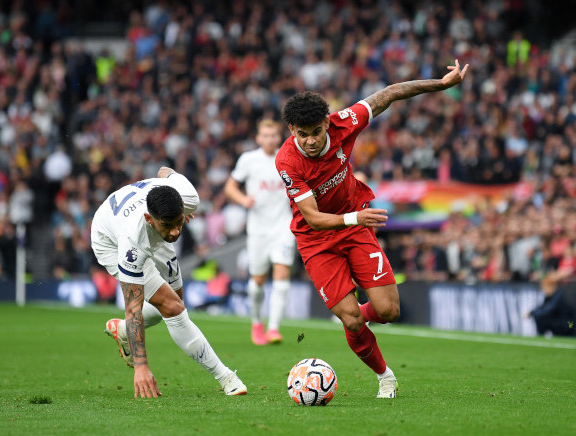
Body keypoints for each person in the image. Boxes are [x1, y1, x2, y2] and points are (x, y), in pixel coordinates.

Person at [275, 60, 469, 398]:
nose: (308, 141)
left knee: (389, 311)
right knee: (350, 319)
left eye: (315, 133)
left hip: (354, 227)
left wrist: (439, 84)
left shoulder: (345, 122)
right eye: (300, 134)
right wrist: (354, 219)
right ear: (292, 129)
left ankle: (354, 315)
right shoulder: (288, 161)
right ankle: (385, 376)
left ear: (326, 123)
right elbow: (313, 217)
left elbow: (390, 94)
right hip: (317, 239)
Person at [91, 166, 247, 398]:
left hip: (154, 232)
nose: (176, 232)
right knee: (173, 307)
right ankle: (226, 377)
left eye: (180, 222)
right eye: (169, 225)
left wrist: (175, 218)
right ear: (149, 219)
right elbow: (133, 308)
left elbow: (165, 171)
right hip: (110, 241)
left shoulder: (187, 197)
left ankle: (121, 330)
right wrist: (141, 365)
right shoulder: (132, 241)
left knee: (176, 303)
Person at [224, 119, 295, 345]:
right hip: (258, 230)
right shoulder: (248, 160)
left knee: (282, 275)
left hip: (283, 226)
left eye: (273, 135)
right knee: (257, 281)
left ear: (279, 137)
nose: (269, 139)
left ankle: (273, 328)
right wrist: (244, 199)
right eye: (265, 135)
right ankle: (257, 322)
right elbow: (230, 187)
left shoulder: (288, 157)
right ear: (258, 138)